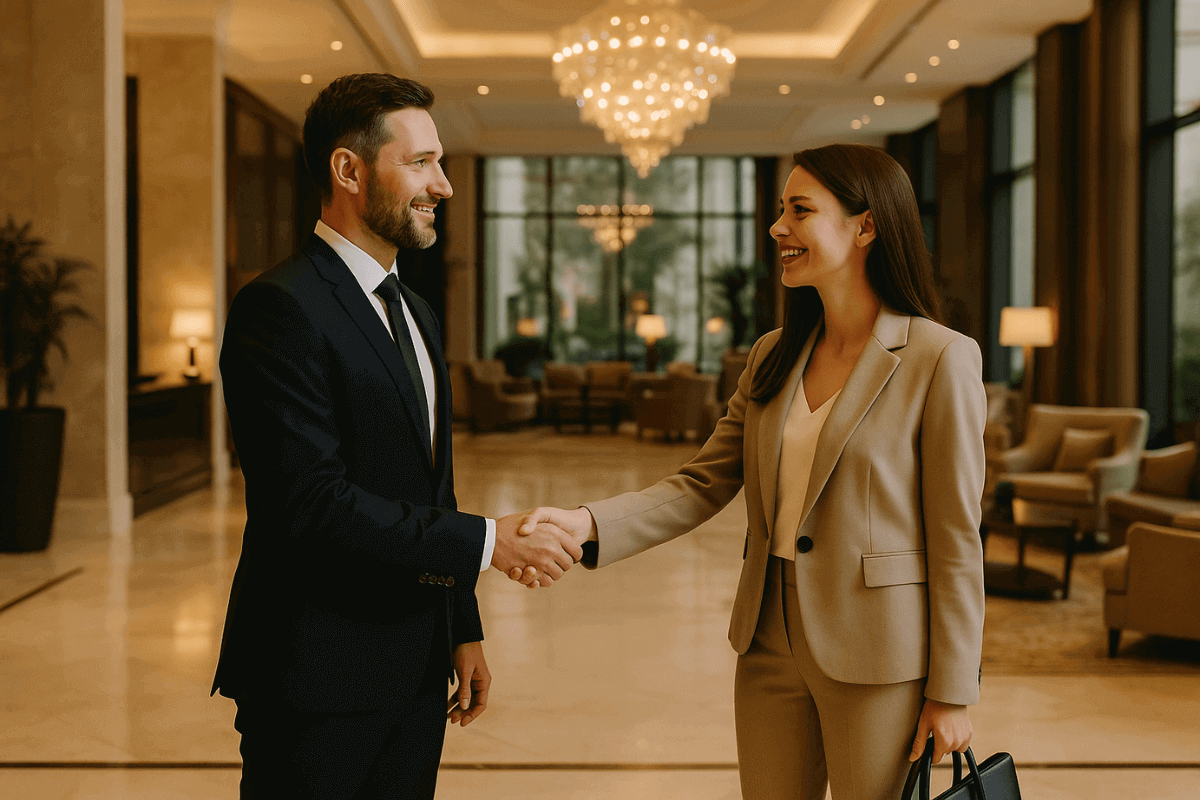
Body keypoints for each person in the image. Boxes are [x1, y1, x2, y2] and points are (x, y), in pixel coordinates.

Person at [514, 143, 987, 800]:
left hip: (879, 652)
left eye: (800, 211)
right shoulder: (773, 354)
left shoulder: (941, 359)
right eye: (779, 211)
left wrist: (953, 691)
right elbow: (700, 481)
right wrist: (584, 523)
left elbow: (957, 537)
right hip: (767, 639)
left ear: (865, 226)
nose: (778, 228)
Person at [212, 73, 582, 800]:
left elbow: (428, 485)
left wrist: (460, 625)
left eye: (440, 162)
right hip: (316, 676)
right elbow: (309, 503)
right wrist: (488, 543)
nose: (442, 185)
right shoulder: (278, 307)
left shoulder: (413, 308)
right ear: (348, 170)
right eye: (420, 163)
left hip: (415, 669)